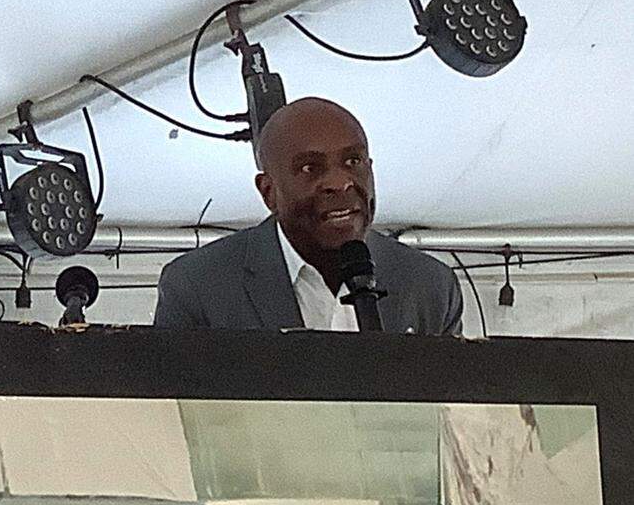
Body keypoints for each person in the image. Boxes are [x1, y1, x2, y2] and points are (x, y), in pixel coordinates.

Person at [153, 97, 462, 334]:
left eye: (352, 161)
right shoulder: (198, 285)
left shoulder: (430, 284)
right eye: (310, 168)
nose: (339, 183)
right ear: (268, 191)